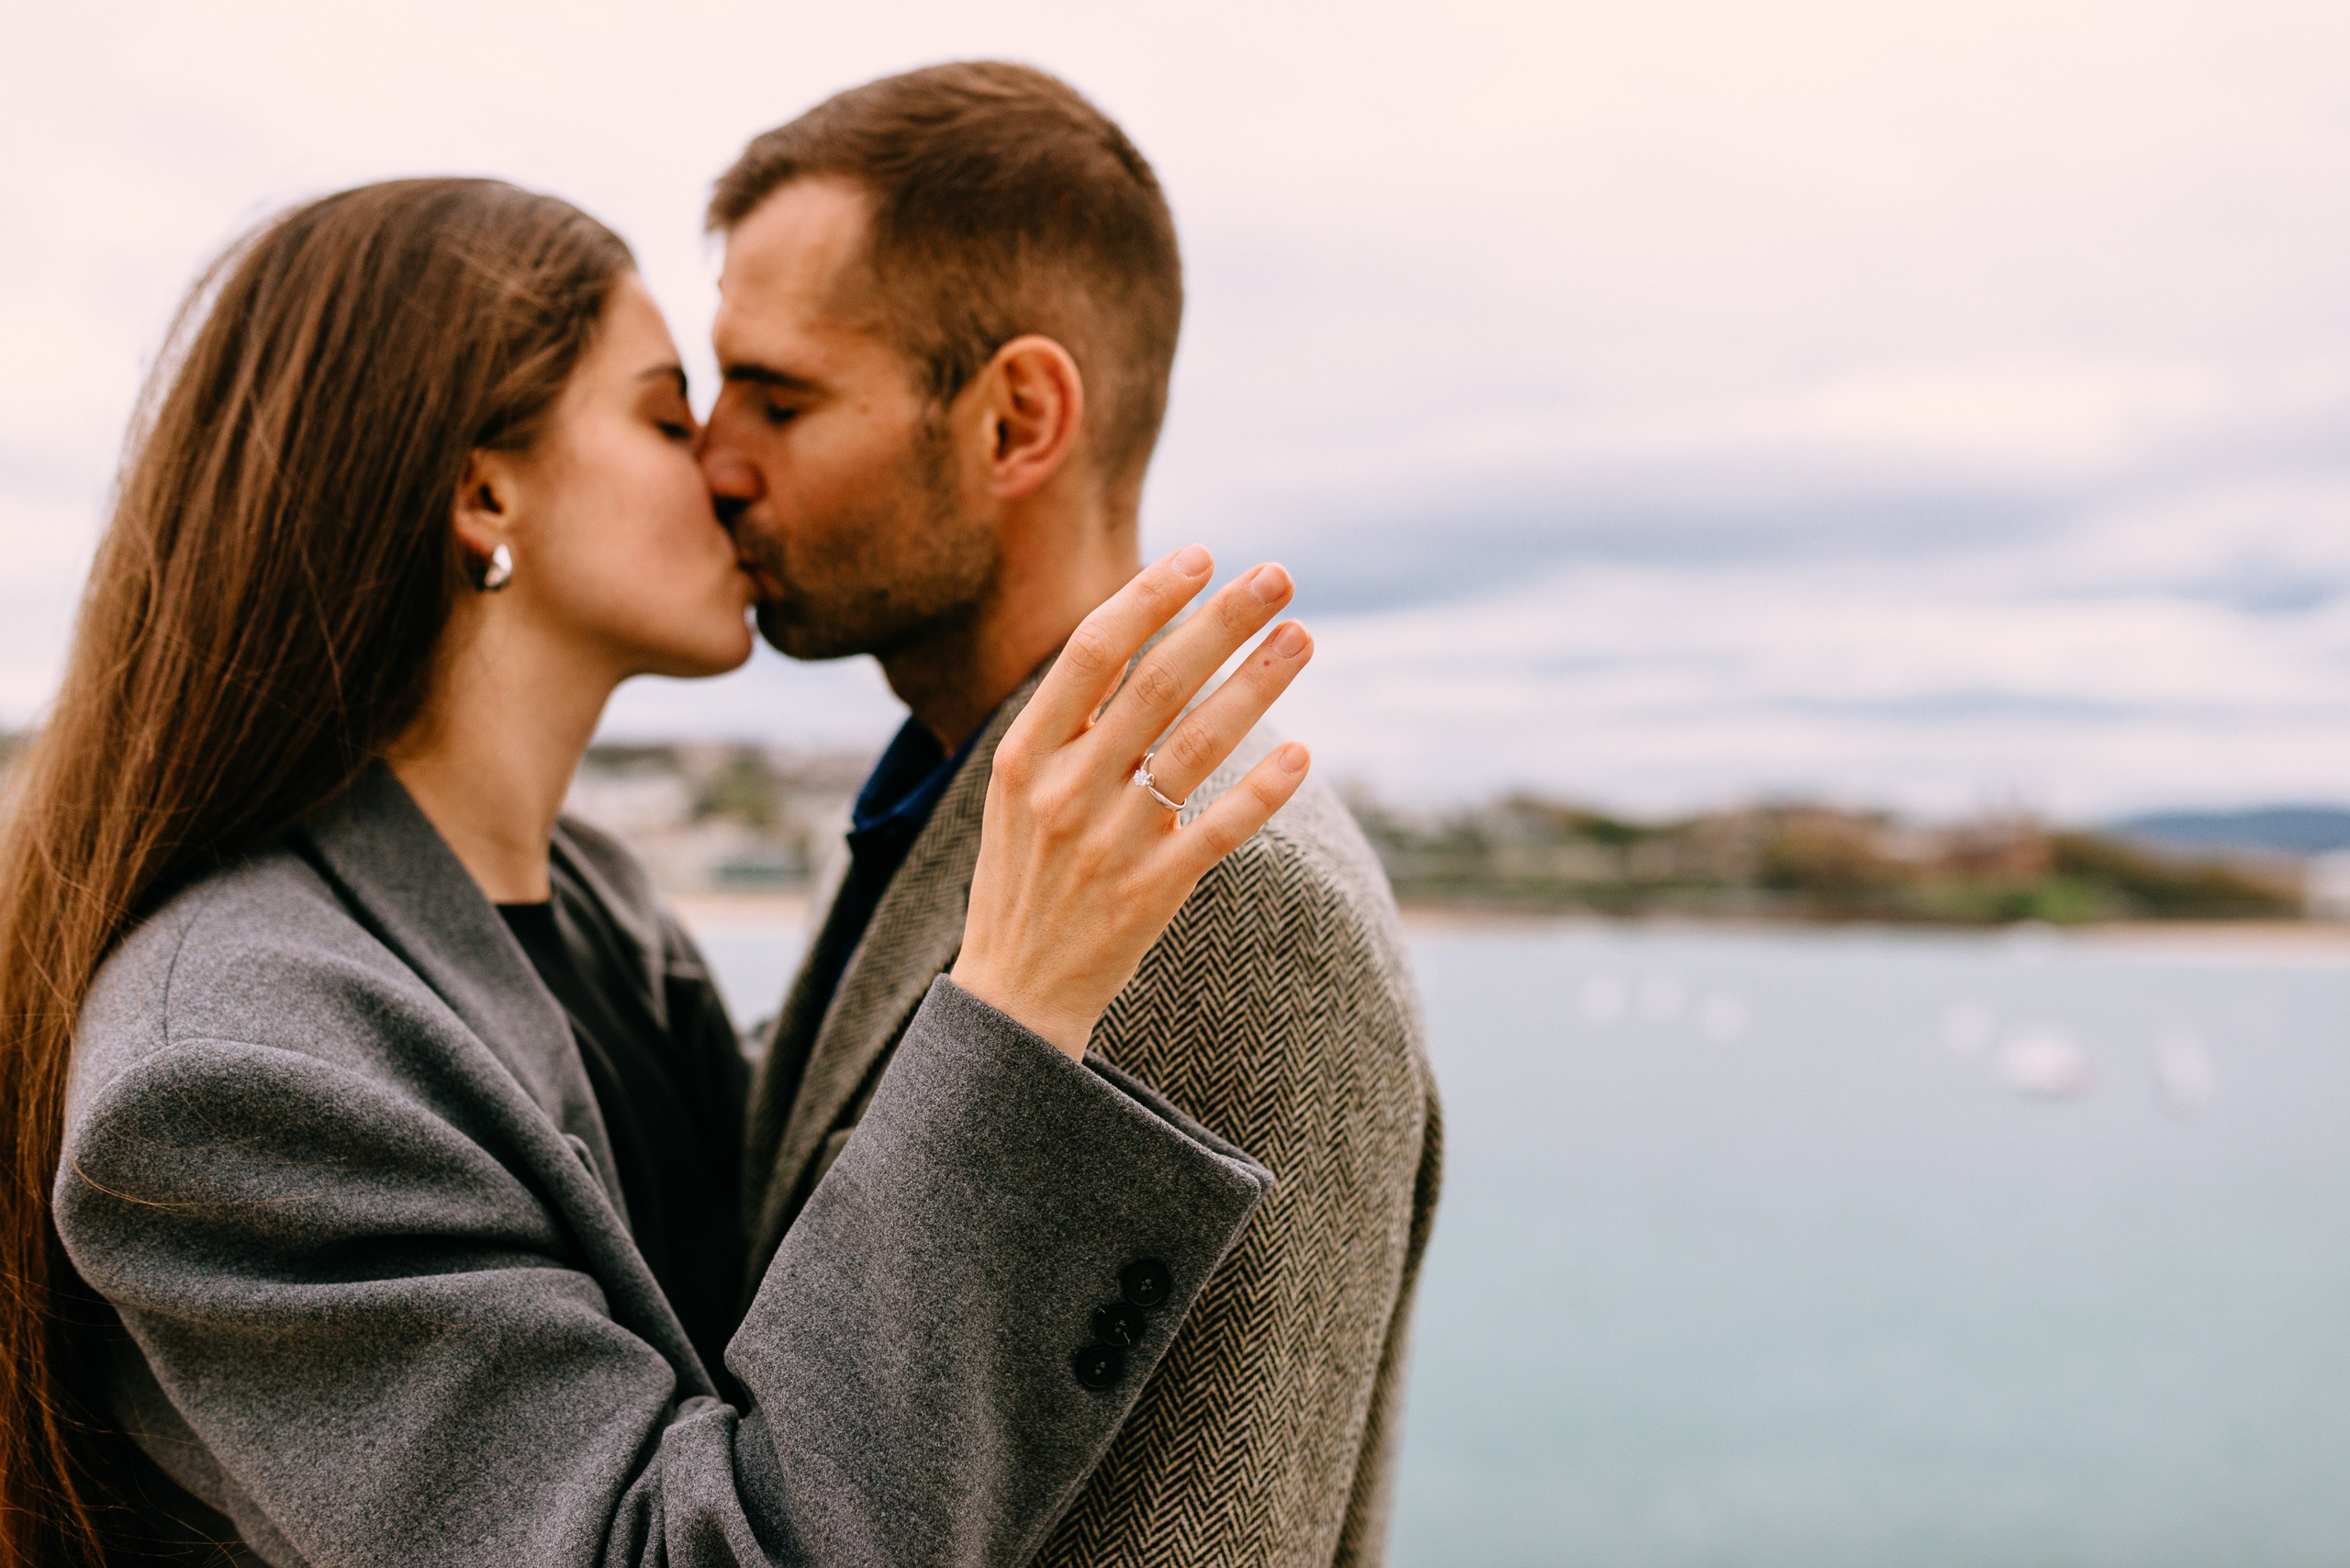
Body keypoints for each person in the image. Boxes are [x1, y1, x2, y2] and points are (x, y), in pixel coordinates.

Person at [0, 176, 1319, 1567]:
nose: (729, 472)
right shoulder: (236, 1066)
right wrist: (1011, 1017)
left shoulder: (601, 907)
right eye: (670, 417)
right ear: (484, 489)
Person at [702, 62, 1443, 1566]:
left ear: (1015, 419)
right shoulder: (964, 793)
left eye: (779, 398)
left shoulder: (1214, 893)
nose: (716, 460)